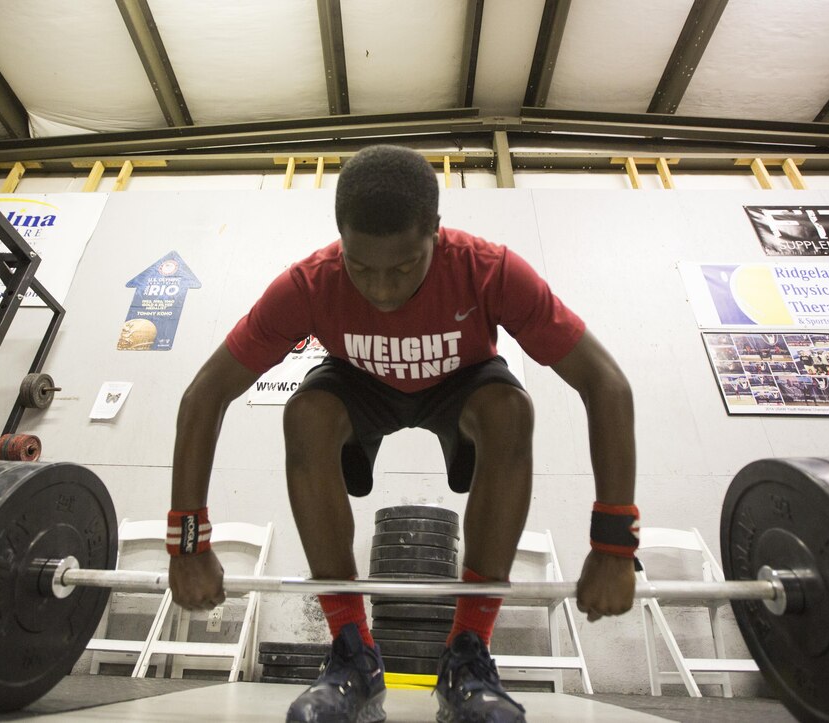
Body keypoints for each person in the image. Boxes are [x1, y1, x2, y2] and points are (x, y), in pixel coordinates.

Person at [167, 145, 637, 723]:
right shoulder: (309, 284)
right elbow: (204, 395)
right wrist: (188, 543)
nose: (383, 291)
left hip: (460, 384)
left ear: (435, 233)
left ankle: (468, 654)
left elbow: (605, 382)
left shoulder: (487, 269)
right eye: (362, 268)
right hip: (357, 384)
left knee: (510, 410)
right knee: (305, 414)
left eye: (404, 267)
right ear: (340, 239)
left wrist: (614, 545)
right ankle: (352, 653)